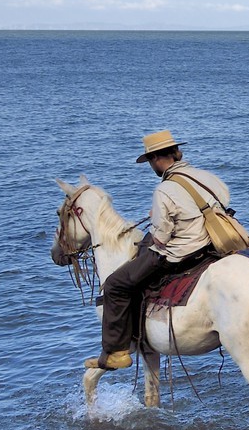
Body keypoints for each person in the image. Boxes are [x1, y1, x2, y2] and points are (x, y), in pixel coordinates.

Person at [88, 130, 232, 370]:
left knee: (115, 284)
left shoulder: (164, 190)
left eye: (150, 162)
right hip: (213, 245)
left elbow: (162, 237)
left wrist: (156, 219)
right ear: (175, 152)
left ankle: (116, 352)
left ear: (155, 159)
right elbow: (222, 202)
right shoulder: (205, 176)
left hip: (183, 252)